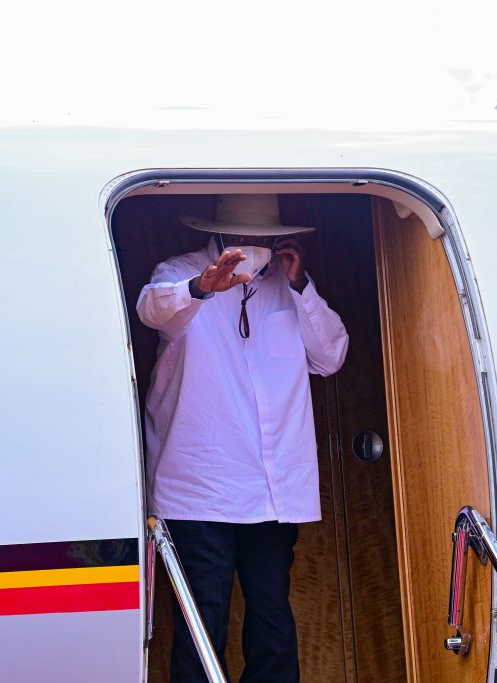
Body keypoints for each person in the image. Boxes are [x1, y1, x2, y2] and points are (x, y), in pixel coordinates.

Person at [136, 194, 349, 682]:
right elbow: (152, 310)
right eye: (242, 237)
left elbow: (330, 357)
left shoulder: (289, 286)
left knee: (272, 615)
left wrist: (301, 286)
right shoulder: (181, 270)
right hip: (198, 487)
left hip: (273, 489)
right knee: (201, 622)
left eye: (263, 240)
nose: (253, 247)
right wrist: (201, 288)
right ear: (218, 235)